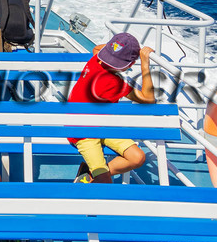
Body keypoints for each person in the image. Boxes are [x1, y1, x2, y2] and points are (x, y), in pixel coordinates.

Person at [68, 34, 159, 183]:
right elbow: (148, 99)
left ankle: (90, 174)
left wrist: (117, 48)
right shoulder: (112, 82)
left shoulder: (95, 61)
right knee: (105, 182)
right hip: (83, 132)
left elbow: (97, 48)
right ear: (130, 64)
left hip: (104, 126)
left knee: (137, 158)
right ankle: (96, 176)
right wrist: (144, 64)